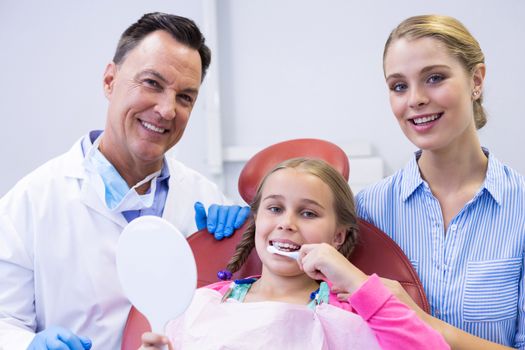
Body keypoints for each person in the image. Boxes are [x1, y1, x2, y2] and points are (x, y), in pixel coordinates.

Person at [0, 12, 249, 350]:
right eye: (152, 83)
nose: (166, 110)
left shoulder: (205, 200)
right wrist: (26, 345)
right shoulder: (30, 202)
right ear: (109, 81)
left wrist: (240, 247)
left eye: (185, 97)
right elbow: (4, 321)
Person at [139, 158, 450, 350]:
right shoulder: (202, 303)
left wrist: (357, 283)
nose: (286, 223)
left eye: (308, 214)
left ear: (337, 237)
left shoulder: (351, 311)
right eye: (274, 209)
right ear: (257, 220)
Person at [356, 14, 525, 349]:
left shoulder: (519, 209)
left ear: (476, 80)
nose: (415, 99)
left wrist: (415, 319)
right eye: (399, 86)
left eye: (434, 78)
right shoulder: (366, 210)